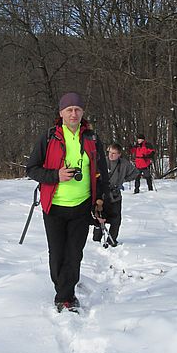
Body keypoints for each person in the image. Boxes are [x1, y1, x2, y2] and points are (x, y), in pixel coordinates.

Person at [26, 92, 109, 313]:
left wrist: (100, 200)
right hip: (54, 207)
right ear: (61, 113)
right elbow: (32, 169)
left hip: (82, 207)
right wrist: (56, 176)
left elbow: (102, 173)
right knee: (57, 253)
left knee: (75, 253)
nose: (74, 113)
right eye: (69, 110)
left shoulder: (91, 138)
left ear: (83, 113)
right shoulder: (49, 137)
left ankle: (65, 297)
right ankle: (63, 286)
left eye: (78, 110)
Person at [93, 143, 139, 247]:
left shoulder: (124, 163)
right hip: (102, 195)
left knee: (116, 220)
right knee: (100, 218)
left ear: (119, 154)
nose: (111, 155)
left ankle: (112, 239)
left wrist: (123, 180)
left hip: (115, 196)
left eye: (114, 153)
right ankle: (96, 240)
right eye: (110, 152)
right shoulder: (102, 162)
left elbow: (135, 173)